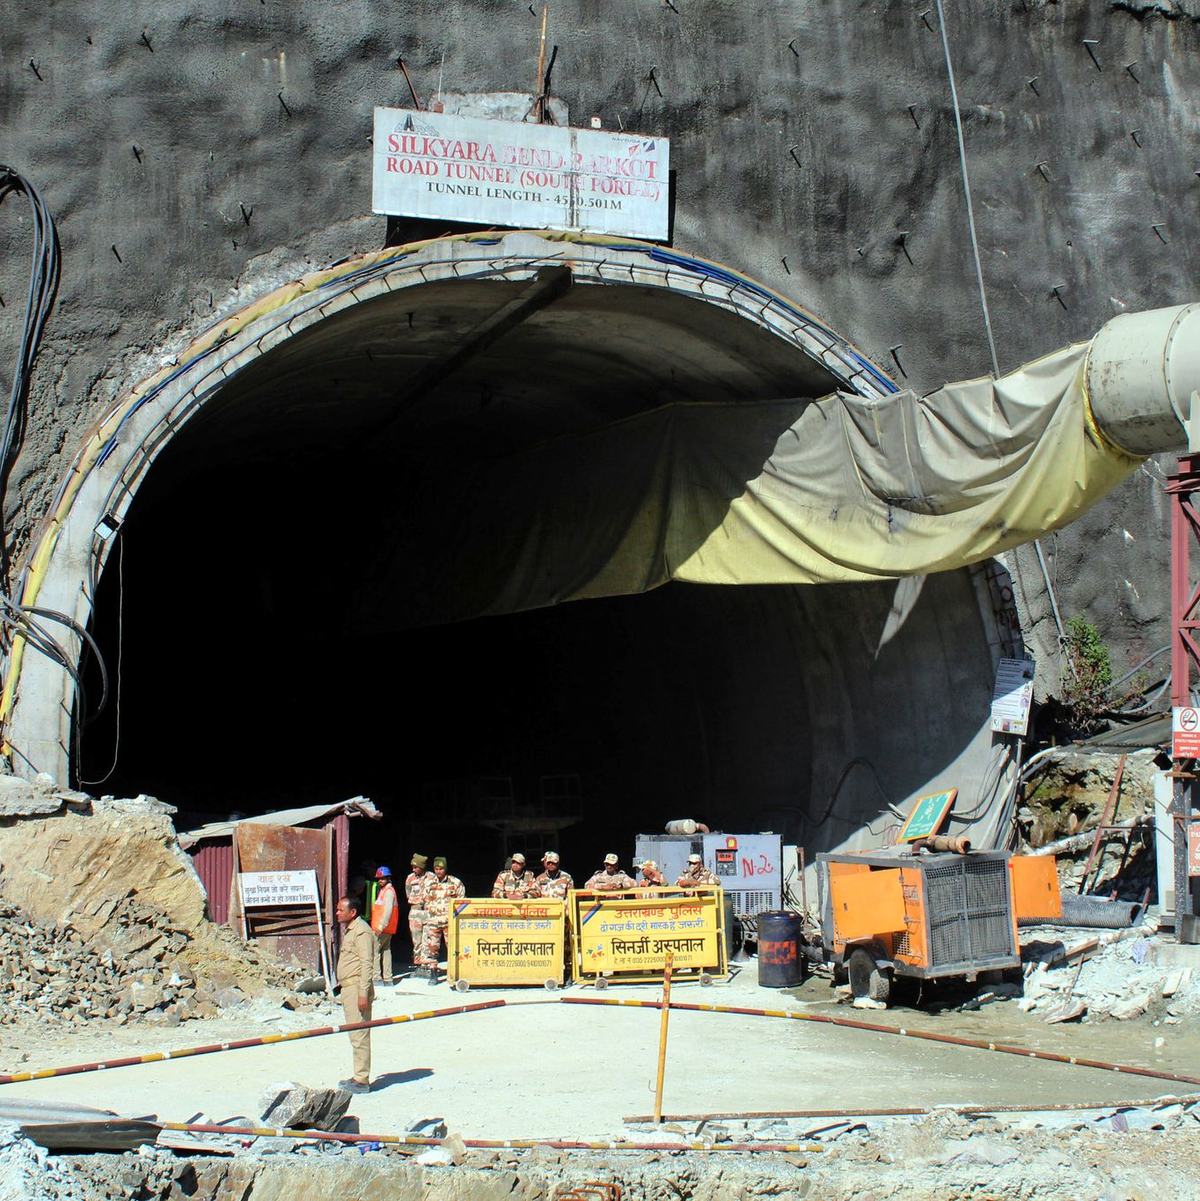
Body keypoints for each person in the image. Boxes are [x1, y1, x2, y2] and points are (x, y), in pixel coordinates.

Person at [334, 894, 375, 1094]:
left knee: (359, 1034)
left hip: (356, 987)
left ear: (353, 912)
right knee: (354, 1033)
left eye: (340, 910)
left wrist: (363, 993)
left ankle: (361, 1079)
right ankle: (359, 1074)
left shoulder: (361, 932)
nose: (337, 913)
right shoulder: (351, 931)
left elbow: (367, 963)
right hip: (349, 987)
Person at [421, 856, 465, 985]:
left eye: (441, 869)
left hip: (449, 922)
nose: (438, 871)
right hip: (434, 922)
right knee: (432, 949)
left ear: (445, 869)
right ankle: (433, 974)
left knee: (452, 948)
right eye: (436, 868)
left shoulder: (455, 882)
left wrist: (454, 916)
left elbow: (462, 902)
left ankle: (453, 973)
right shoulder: (429, 883)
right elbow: (425, 899)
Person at [370, 866, 399, 985]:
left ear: (388, 878)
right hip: (387, 928)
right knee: (386, 951)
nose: (379, 881)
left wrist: (381, 926)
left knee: (375, 951)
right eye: (378, 879)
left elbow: (388, 911)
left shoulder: (388, 892)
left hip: (382, 928)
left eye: (382, 878)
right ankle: (388, 978)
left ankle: (376, 978)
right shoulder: (385, 891)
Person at [405, 853, 431, 978]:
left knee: (427, 940)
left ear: (422, 867)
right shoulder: (410, 878)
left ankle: (426, 966)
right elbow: (408, 893)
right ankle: (417, 965)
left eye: (416, 867)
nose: (414, 869)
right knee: (416, 940)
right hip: (415, 911)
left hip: (427, 911)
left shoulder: (431, 877)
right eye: (413, 867)